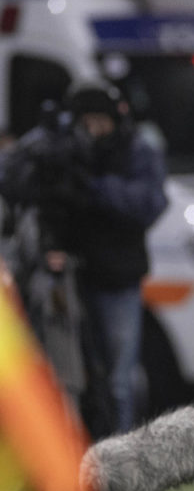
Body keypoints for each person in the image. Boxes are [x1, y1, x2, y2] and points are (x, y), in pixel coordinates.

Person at [0, 83, 167, 435]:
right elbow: (11, 177)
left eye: (99, 120)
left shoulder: (135, 149)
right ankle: (72, 456)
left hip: (115, 277)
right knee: (63, 374)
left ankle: (118, 460)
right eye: (85, 121)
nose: (93, 130)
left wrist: (92, 187)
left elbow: (148, 203)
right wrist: (41, 145)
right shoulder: (58, 145)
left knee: (118, 379)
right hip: (64, 273)